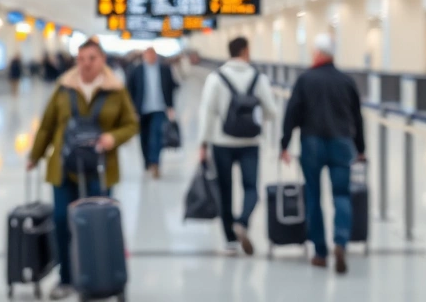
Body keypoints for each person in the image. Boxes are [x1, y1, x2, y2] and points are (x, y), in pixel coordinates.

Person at [27, 38, 138, 300]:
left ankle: (100, 277)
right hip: (64, 168)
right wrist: (35, 155)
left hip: (100, 168)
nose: (86, 64)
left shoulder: (116, 90)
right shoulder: (64, 88)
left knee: (99, 224)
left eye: (92, 58)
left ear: (102, 60)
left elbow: (131, 124)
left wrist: (113, 138)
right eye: (81, 59)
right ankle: (66, 278)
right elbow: (47, 124)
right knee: (62, 221)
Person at [280, 33, 365, 275]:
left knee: (313, 197)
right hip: (341, 143)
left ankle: (319, 252)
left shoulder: (305, 79)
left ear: (317, 53)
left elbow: (292, 114)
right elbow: (357, 119)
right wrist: (361, 148)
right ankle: (340, 241)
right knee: (341, 194)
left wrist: (284, 144)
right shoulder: (346, 81)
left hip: (312, 144)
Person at [197, 36, 278, 256]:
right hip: (250, 142)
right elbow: (272, 111)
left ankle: (230, 241)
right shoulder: (258, 78)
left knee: (225, 190)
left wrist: (202, 143)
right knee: (251, 187)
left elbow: (207, 112)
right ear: (244, 51)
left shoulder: (216, 78)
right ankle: (242, 221)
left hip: (222, 142)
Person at [126, 47, 178, 178]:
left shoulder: (164, 69)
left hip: (159, 108)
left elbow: (171, 88)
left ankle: (155, 162)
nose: (150, 57)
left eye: (152, 55)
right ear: (144, 56)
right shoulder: (136, 70)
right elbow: (129, 90)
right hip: (142, 109)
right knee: (144, 136)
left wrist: (171, 107)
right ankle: (147, 161)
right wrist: (132, 110)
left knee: (156, 135)